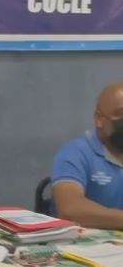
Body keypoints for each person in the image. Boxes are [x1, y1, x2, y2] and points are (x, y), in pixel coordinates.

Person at [52, 82, 123, 229]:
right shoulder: (76, 152)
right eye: (120, 113)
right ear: (99, 119)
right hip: (83, 247)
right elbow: (70, 209)